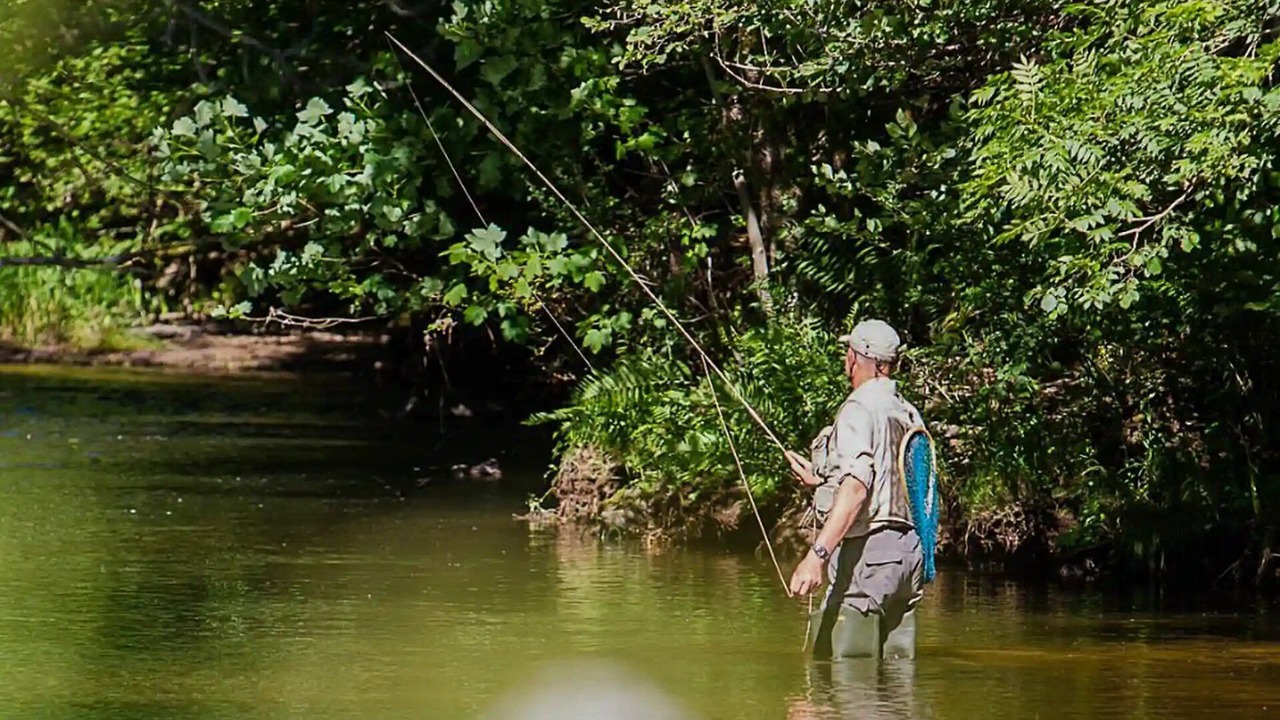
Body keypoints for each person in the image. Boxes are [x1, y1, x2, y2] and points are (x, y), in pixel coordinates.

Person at [785, 319, 928, 661]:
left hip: (869, 556)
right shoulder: (908, 412)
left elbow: (857, 489)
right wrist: (820, 481)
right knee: (895, 694)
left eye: (847, 352)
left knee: (846, 677)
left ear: (855, 357)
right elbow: (894, 483)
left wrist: (815, 557)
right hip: (909, 558)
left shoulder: (858, 408)